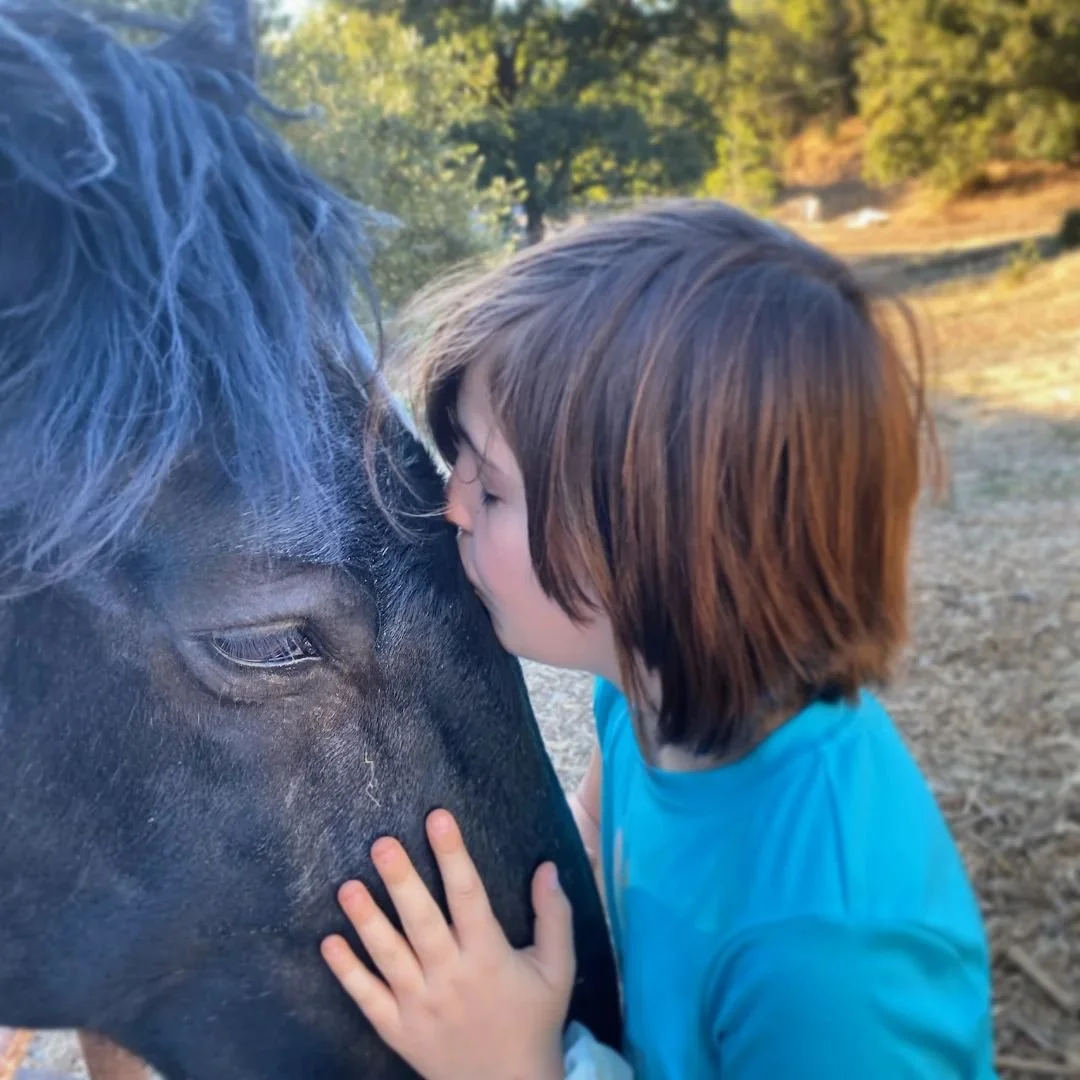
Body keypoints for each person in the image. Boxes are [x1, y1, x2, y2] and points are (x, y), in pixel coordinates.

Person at [320, 199, 997, 1079]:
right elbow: (603, 828)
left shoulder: (830, 954)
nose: (447, 506)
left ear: (656, 554)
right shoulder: (644, 689)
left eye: (489, 490)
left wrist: (510, 1069)